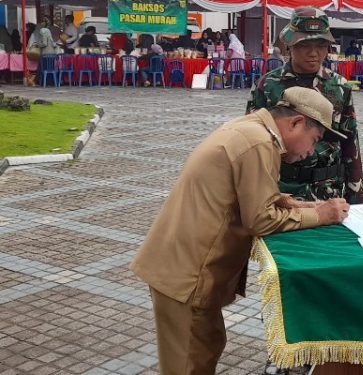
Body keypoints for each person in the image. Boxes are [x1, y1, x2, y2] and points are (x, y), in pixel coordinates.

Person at [131, 87, 350, 375]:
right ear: (296, 123)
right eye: (314, 139)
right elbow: (261, 219)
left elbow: (254, 197)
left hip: (183, 266)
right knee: (188, 362)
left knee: (207, 345)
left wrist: (301, 205)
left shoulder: (252, 129)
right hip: (186, 274)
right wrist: (321, 215)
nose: (311, 151)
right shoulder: (260, 143)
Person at [247, 6, 363, 205]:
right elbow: (251, 143)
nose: (313, 52)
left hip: (328, 193)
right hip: (281, 193)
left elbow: (350, 144)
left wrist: (357, 198)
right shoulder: (267, 86)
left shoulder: (339, 87)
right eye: (305, 45)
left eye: (321, 45)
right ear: (290, 45)